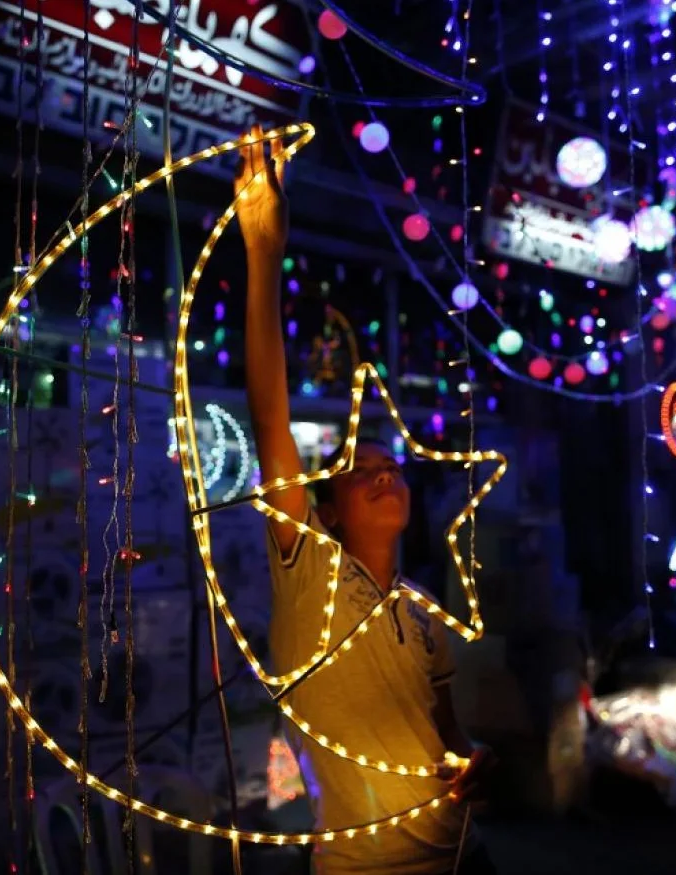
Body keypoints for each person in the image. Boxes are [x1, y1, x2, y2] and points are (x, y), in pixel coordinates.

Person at [235, 126, 497, 875]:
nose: (385, 474)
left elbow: (450, 740)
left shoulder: (423, 612)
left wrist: (475, 762)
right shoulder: (308, 572)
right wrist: (263, 250)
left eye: (393, 466)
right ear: (328, 510)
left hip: (463, 858)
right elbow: (270, 418)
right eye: (361, 469)